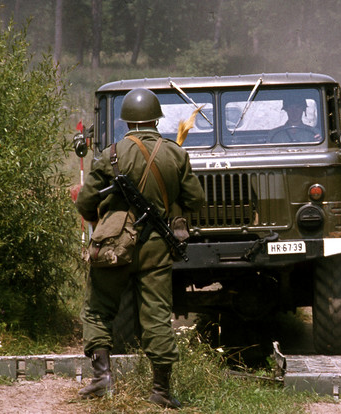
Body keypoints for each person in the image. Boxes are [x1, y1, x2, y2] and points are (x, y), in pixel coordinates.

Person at [75, 88, 205, 409]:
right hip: (157, 247)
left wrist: (101, 222)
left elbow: (86, 201)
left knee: (97, 309)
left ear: (127, 121)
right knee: (157, 317)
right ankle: (160, 390)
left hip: (114, 246)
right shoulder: (175, 154)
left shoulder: (111, 154)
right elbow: (196, 201)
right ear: (157, 119)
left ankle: (102, 378)